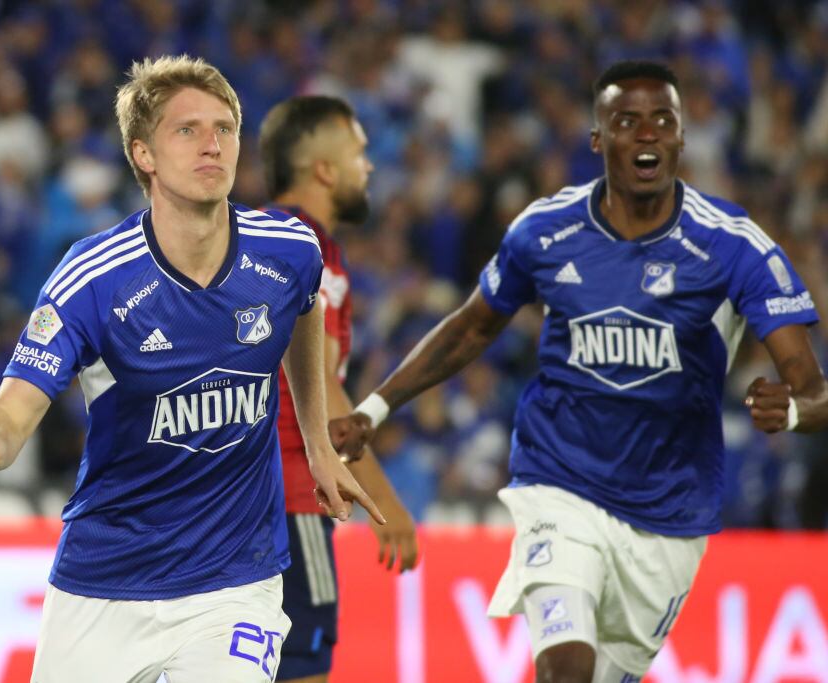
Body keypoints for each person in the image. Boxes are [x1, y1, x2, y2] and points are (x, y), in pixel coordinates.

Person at [331, 60, 828, 683]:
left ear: (680, 139)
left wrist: (791, 408)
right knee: (565, 668)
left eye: (662, 121)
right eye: (627, 121)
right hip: (560, 483)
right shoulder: (545, 230)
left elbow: (812, 387)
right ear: (598, 140)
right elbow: (471, 325)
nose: (646, 134)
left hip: (668, 512)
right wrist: (374, 408)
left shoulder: (733, 245)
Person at [0, 55, 383, 683]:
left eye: (225, 128)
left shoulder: (289, 250)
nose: (213, 144)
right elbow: (19, 403)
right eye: (188, 130)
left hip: (236, 581)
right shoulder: (93, 277)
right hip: (104, 584)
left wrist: (317, 440)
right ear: (143, 154)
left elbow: (305, 309)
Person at [257, 95, 420, 683]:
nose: (367, 166)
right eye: (357, 152)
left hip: (239, 492)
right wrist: (384, 497)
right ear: (323, 169)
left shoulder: (252, 236)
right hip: (292, 491)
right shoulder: (308, 245)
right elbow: (319, 380)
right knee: (302, 668)